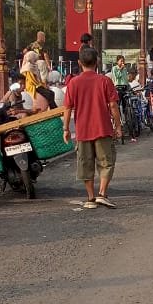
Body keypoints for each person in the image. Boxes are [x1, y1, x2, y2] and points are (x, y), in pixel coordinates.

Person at [62, 45, 121, 209]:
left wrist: (66, 129)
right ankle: (102, 194)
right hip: (103, 128)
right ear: (97, 62)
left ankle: (90, 197)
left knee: (85, 164)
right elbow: (113, 106)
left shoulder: (73, 83)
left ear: (80, 63)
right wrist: (118, 125)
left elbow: (67, 108)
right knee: (106, 162)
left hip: (83, 130)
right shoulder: (105, 81)